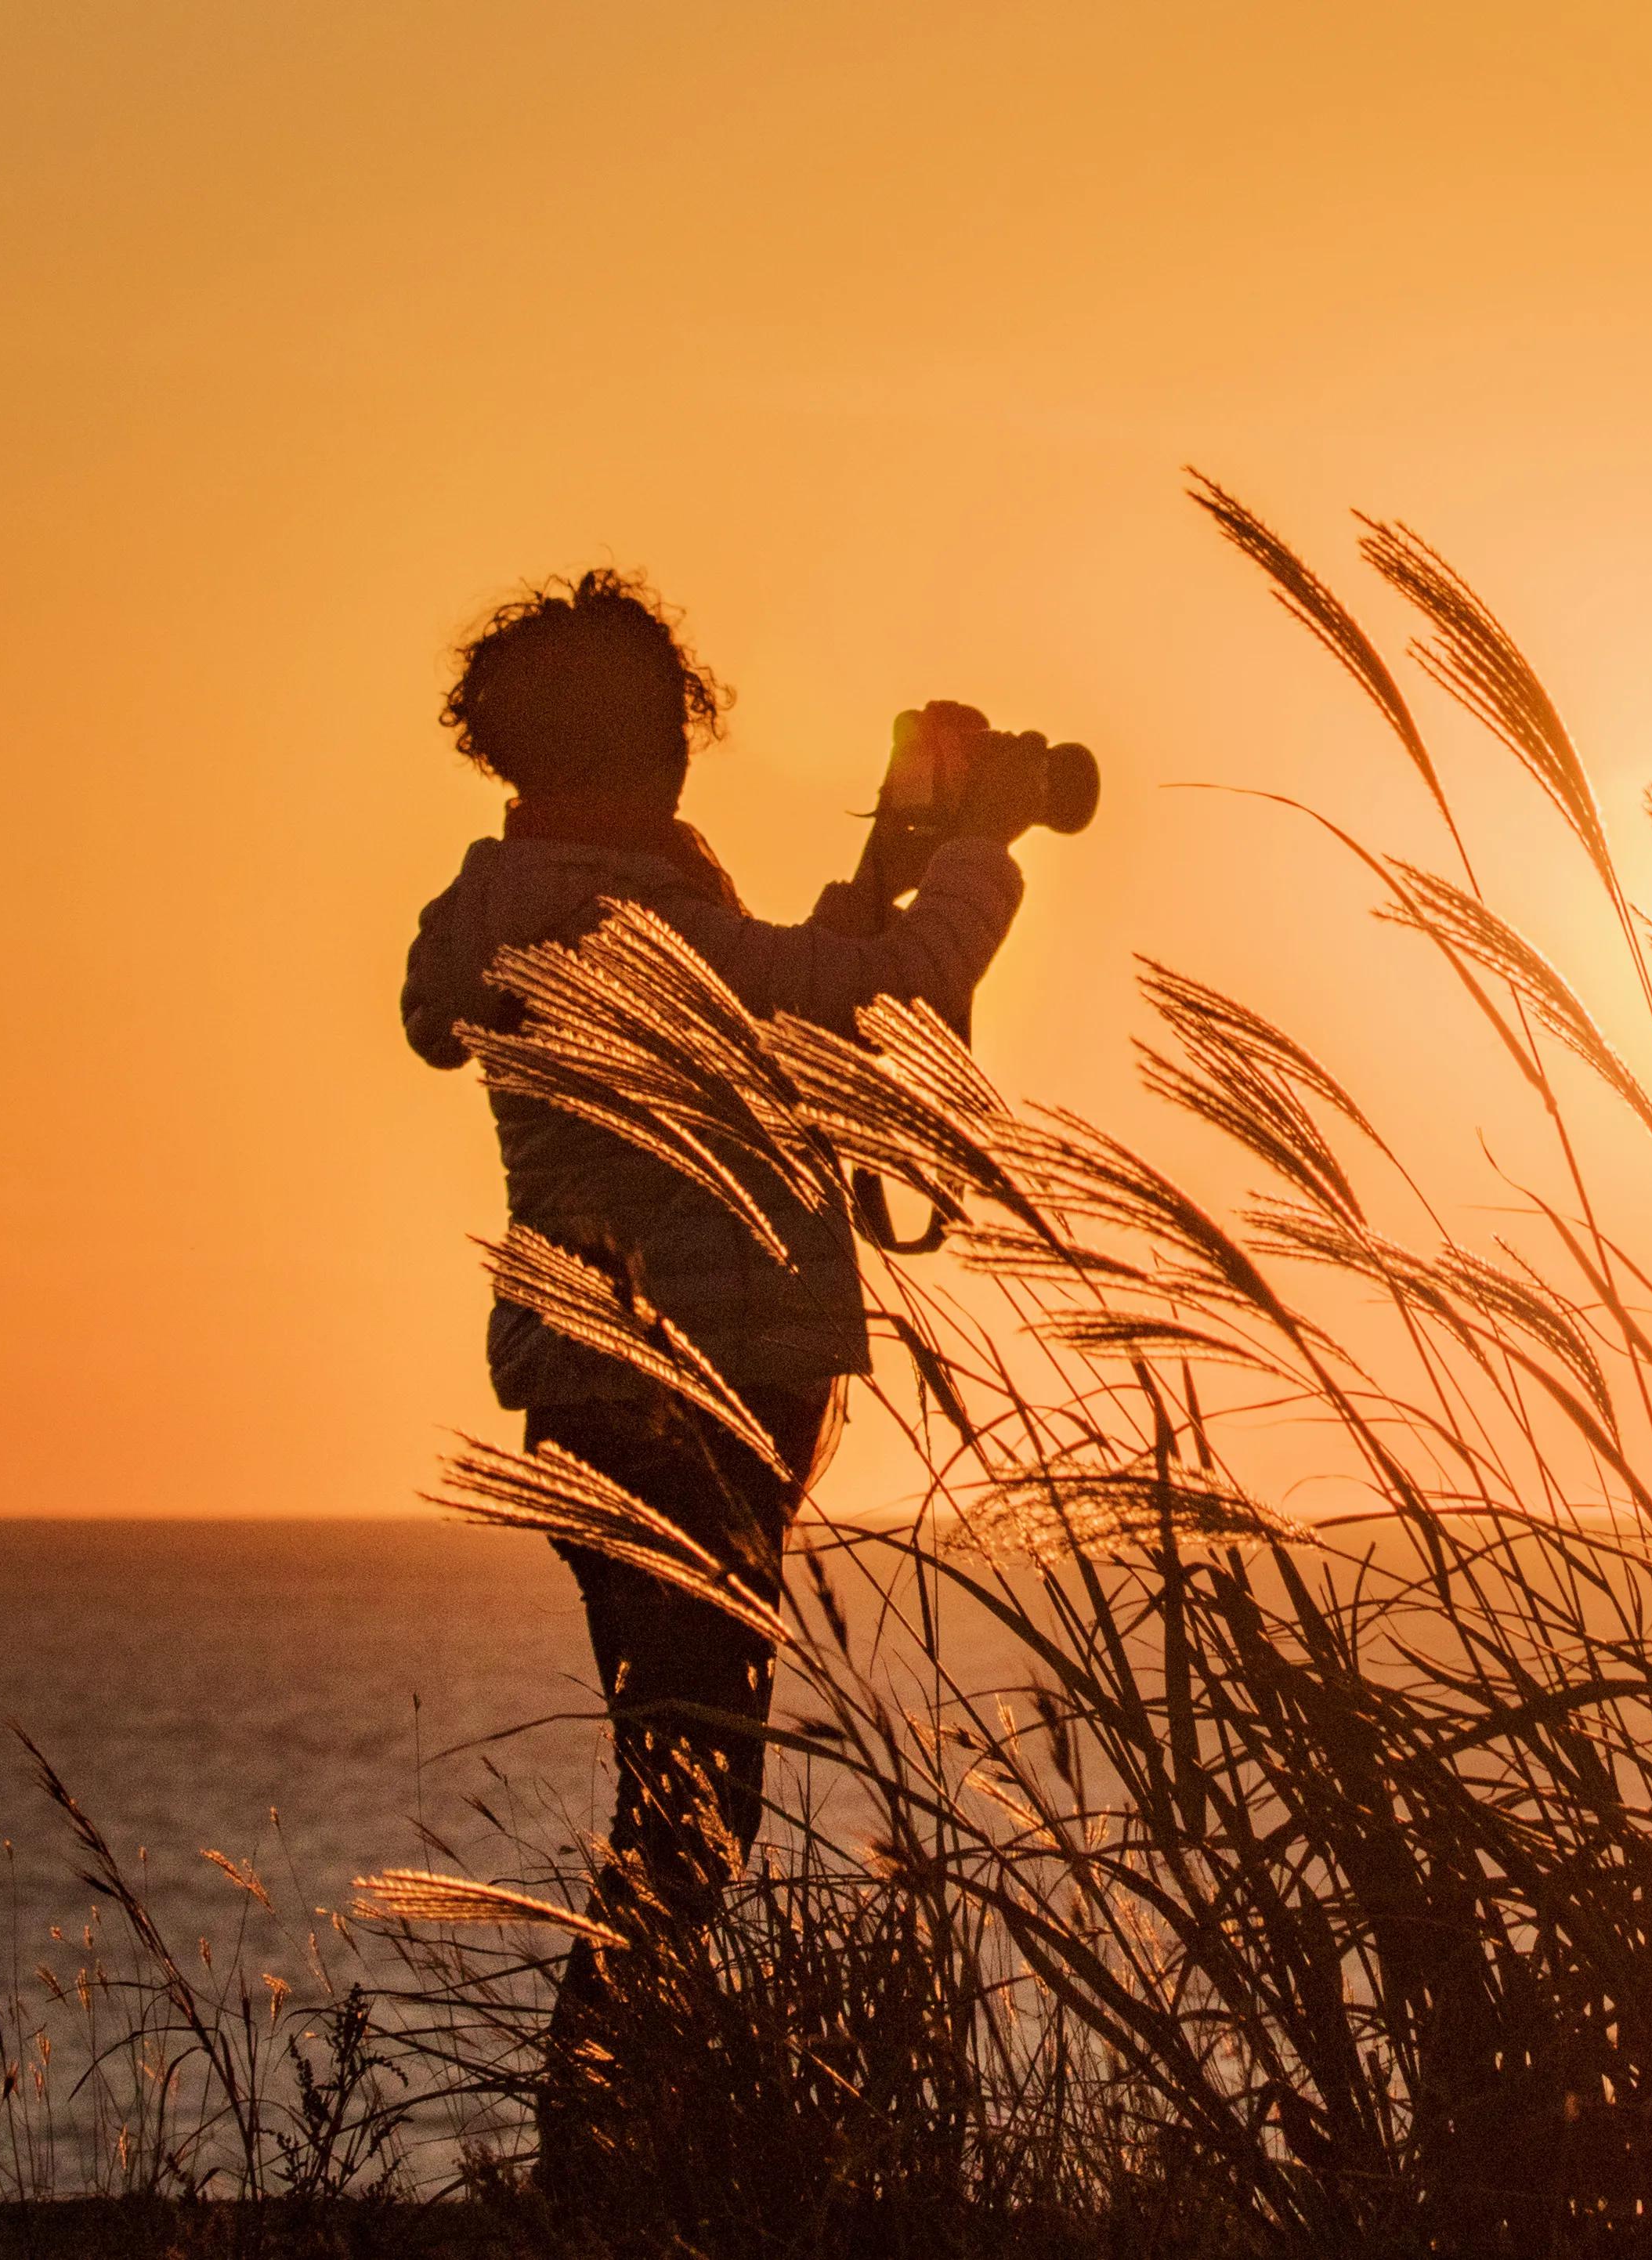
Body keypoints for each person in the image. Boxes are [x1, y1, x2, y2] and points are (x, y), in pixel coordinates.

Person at [397, 569, 1030, 2162]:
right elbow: (886, 1000)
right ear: (662, 742)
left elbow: (769, 998)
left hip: (603, 1388)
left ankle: (618, 2132)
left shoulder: (539, 905)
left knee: (678, 1781)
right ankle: (594, 2144)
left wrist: (891, 855)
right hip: (689, 1390)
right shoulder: (617, 916)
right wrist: (978, 859)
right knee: (689, 1803)